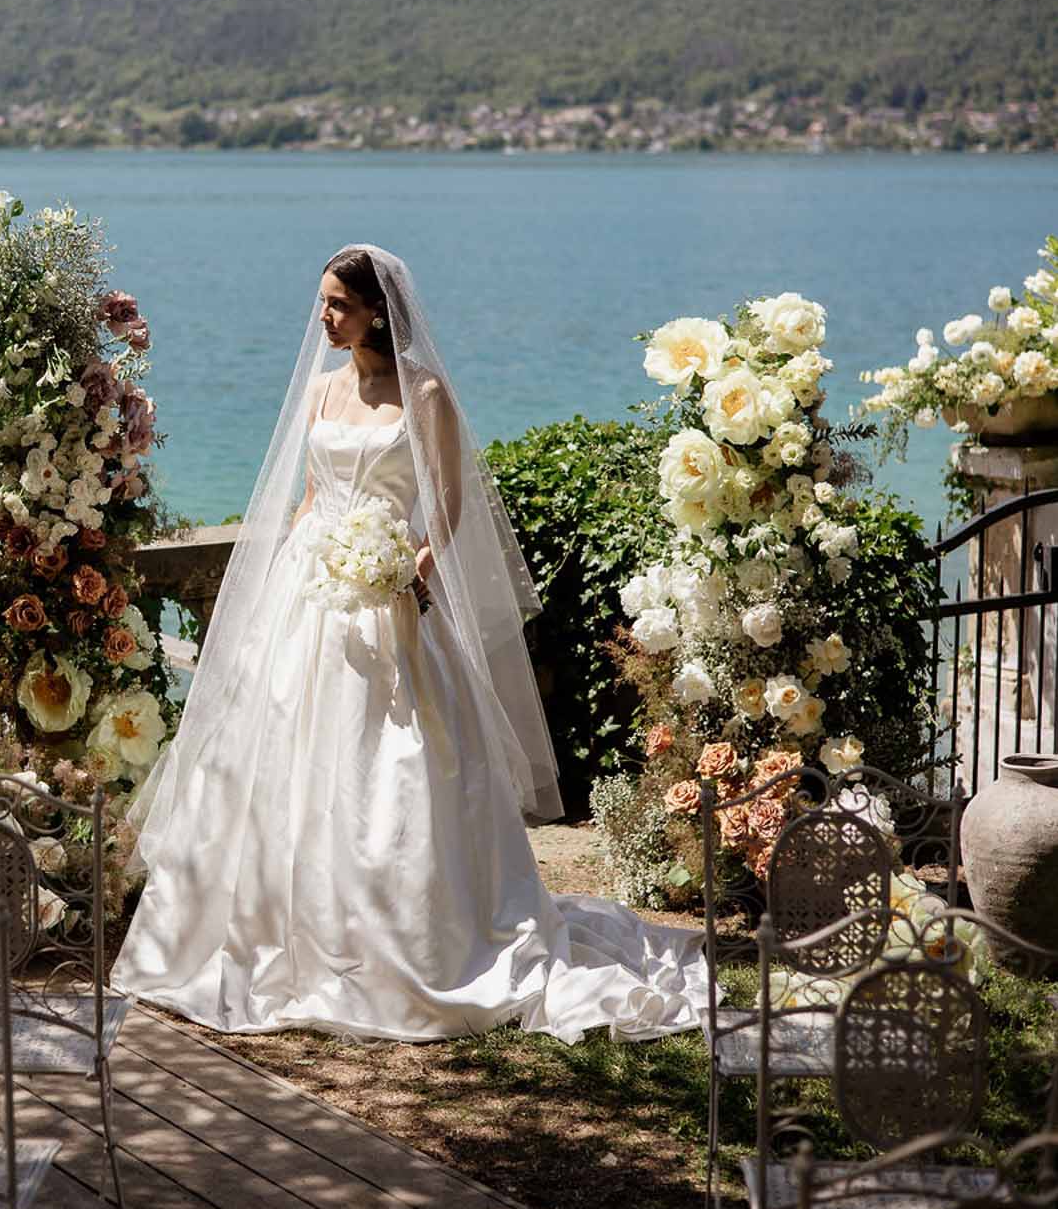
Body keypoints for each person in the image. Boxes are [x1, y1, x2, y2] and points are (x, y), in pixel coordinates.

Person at [112, 245, 709, 1043]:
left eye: (336, 305)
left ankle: (407, 934)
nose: (322, 317)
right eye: (321, 302)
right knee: (279, 750)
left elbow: (449, 505)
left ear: (376, 313)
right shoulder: (323, 390)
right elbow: (313, 498)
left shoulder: (425, 393)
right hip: (312, 588)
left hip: (387, 592)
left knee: (393, 761)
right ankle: (273, 924)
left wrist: (407, 569)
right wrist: (282, 580)